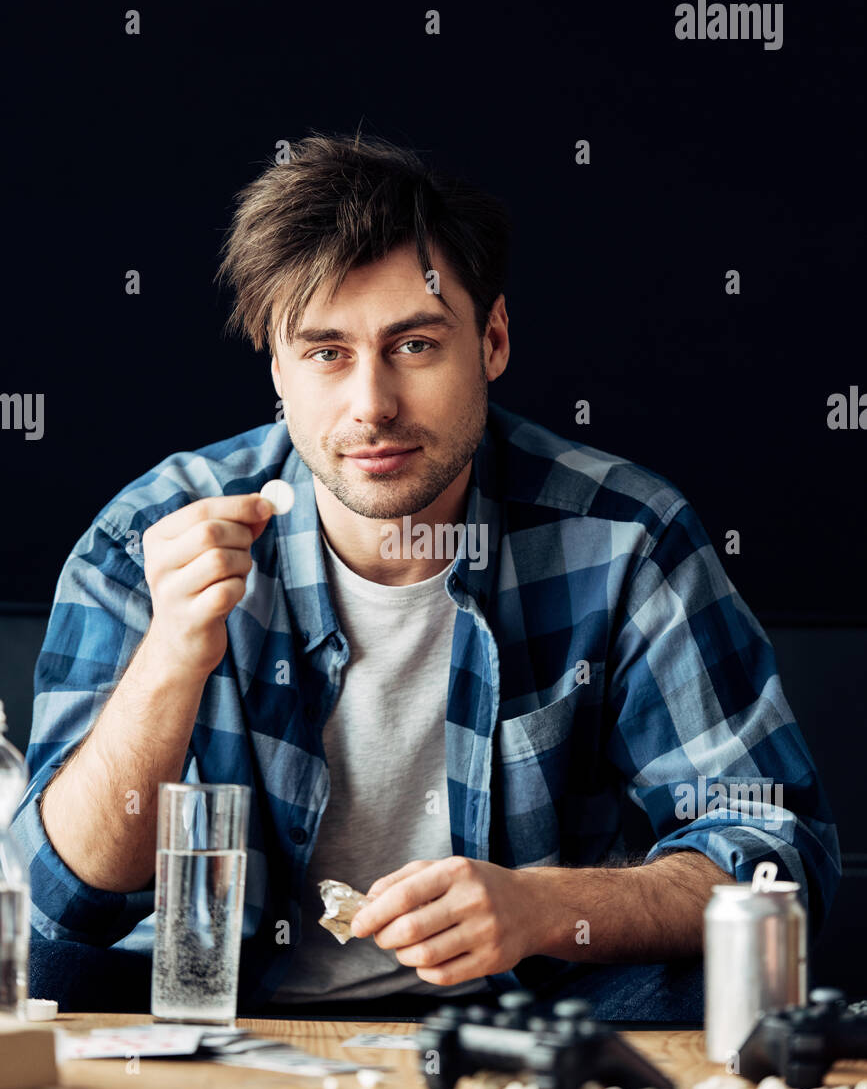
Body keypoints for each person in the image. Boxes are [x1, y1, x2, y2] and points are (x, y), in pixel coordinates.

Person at [13, 132, 840, 1022]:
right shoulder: (148, 533)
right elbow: (69, 897)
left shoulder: (621, 536)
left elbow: (771, 850)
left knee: (710, 986)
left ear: (490, 340)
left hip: (521, 1026)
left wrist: (544, 908)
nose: (371, 404)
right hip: (213, 1023)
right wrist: (172, 657)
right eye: (326, 352)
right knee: (55, 981)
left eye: (412, 345)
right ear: (278, 372)